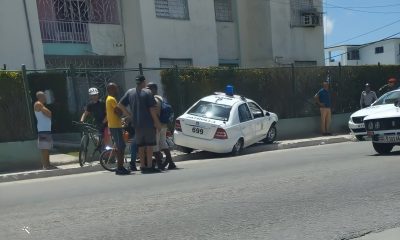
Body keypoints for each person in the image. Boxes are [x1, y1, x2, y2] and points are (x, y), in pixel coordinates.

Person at [118, 75, 162, 173]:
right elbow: (152, 109)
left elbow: (120, 104)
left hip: (136, 124)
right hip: (148, 123)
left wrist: (129, 115)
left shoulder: (130, 92)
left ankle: (142, 166)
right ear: (144, 82)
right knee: (149, 145)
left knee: (141, 146)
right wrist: (157, 123)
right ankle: (150, 166)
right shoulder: (148, 92)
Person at [147, 82, 177, 170]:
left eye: (149, 89)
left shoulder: (154, 100)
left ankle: (159, 165)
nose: (147, 91)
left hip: (157, 125)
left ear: (153, 89)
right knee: (163, 143)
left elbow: (155, 113)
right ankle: (171, 163)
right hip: (164, 125)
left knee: (155, 145)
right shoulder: (161, 98)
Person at [106, 83, 130, 175]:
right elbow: (118, 111)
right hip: (115, 126)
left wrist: (121, 118)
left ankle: (120, 166)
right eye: (115, 89)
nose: (117, 91)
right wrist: (123, 115)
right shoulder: (111, 99)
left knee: (119, 146)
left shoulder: (109, 99)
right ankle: (120, 168)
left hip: (115, 125)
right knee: (121, 146)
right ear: (110, 90)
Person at [34, 91, 55, 170]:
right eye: (44, 96)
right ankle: (45, 165)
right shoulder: (38, 104)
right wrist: (49, 113)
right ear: (40, 97)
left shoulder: (41, 105)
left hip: (46, 130)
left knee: (47, 148)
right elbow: (49, 113)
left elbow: (48, 114)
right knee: (44, 149)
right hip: (43, 130)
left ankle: (48, 164)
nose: (45, 98)